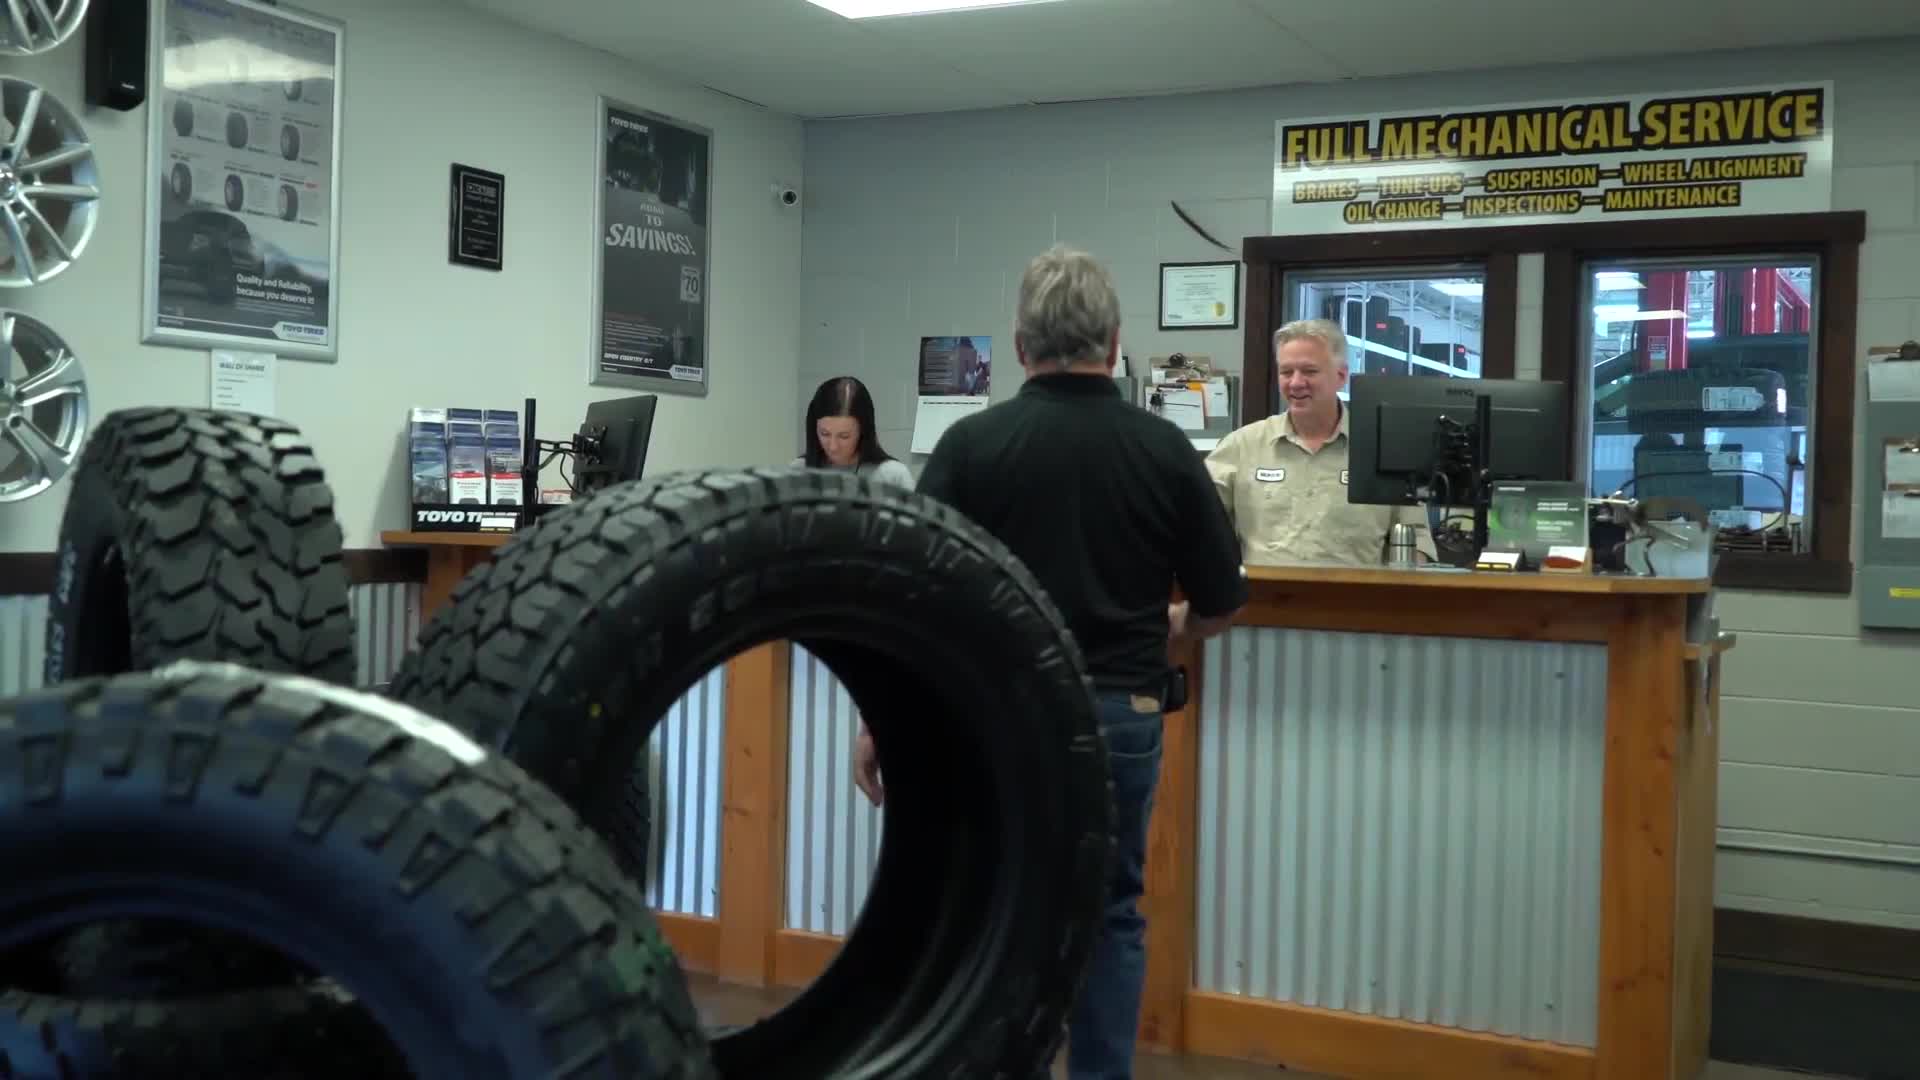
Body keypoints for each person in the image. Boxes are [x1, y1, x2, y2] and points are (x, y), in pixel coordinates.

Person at [855, 244, 1248, 1080]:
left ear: (1022, 346)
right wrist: (1173, 628)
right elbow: (1221, 599)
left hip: (994, 716)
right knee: (1110, 913)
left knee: (1001, 910)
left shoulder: (971, 446)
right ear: (1114, 344)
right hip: (1123, 715)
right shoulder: (1166, 449)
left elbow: (911, 595)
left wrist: (879, 718)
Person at [1204, 318, 1433, 566]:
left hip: (1355, 601)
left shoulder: (1385, 449)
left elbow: (1417, 540)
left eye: (1310, 371)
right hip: (1263, 600)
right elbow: (1198, 523)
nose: (1296, 383)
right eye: (1286, 372)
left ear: (1341, 375)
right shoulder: (1242, 446)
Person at [795, 375, 914, 487]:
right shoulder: (799, 470)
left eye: (844, 436)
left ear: (863, 431)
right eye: (825, 434)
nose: (833, 447)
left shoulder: (892, 475)